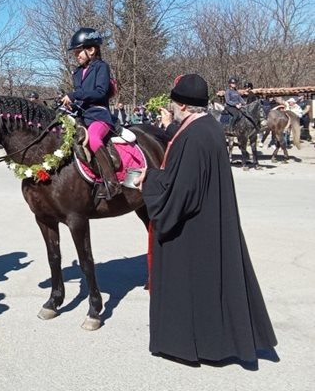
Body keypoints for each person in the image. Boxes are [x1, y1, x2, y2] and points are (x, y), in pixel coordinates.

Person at [133, 74, 277, 364]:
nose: (172, 108)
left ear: (183, 106)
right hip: (209, 217)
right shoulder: (205, 126)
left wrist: (148, 181)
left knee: (194, 282)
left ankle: (196, 345)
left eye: (174, 103)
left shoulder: (195, 137)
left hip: (194, 225)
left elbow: (182, 190)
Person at [60, 27, 120, 200]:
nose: (76, 55)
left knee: (93, 139)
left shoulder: (102, 67)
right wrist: (70, 105)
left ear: (91, 50)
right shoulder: (77, 73)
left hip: (99, 116)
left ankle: (111, 182)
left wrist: (74, 95)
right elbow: (80, 98)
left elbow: (100, 92)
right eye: (75, 53)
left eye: (79, 52)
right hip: (82, 116)